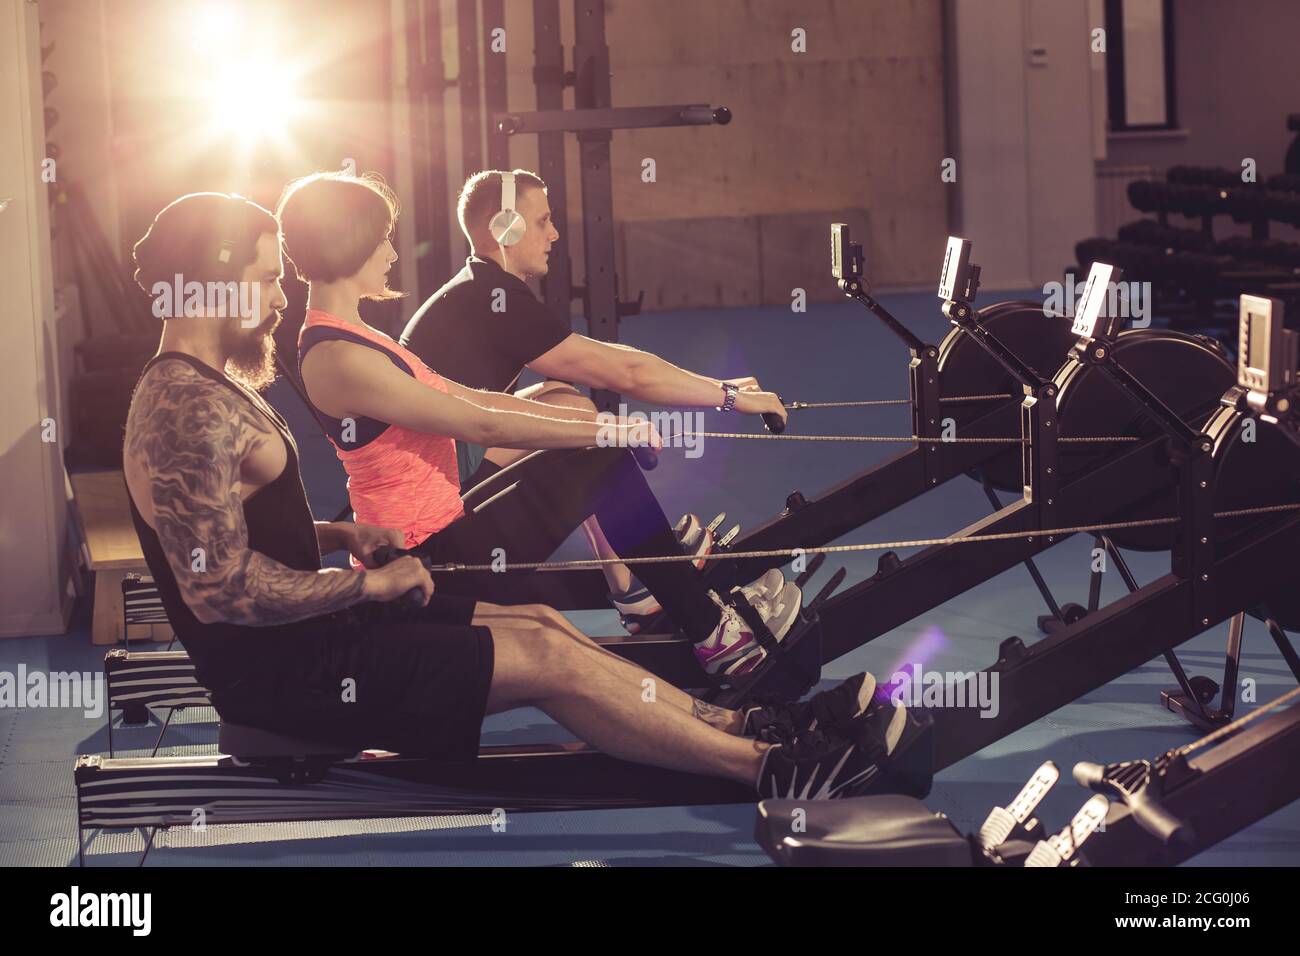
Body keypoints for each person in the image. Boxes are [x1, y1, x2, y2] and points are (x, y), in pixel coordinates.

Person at [119, 190, 905, 799]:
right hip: (295, 684)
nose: (272, 297)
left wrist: (336, 536)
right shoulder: (185, 412)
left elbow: (241, 531)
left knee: (543, 627)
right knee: (540, 656)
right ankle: (767, 768)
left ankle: (744, 724)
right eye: (257, 281)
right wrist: (369, 581)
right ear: (211, 284)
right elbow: (219, 589)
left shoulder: (201, 389)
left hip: (318, 643)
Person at [280, 172, 795, 676]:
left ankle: (655, 590)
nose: (392, 254)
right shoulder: (338, 356)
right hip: (421, 564)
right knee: (599, 458)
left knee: (588, 442)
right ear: (351, 245)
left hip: (441, 527)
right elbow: (483, 424)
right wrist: (610, 432)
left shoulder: (357, 336)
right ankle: (714, 635)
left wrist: (602, 429)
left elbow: (477, 401)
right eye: (382, 242)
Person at [400, 169, 791, 628]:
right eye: (543, 221)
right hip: (436, 524)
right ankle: (685, 611)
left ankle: (631, 586)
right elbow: (626, 372)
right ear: (505, 227)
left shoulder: (480, 287)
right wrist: (725, 398)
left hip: (441, 480)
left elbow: (612, 357)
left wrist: (714, 386)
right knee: (596, 444)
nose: (555, 233)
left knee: (568, 403)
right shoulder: (491, 297)